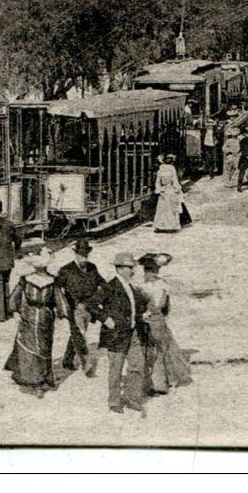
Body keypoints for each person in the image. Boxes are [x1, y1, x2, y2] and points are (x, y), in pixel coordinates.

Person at [4, 248, 70, 398]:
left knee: (44, 348)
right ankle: (34, 382)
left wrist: (64, 314)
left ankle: (44, 378)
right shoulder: (26, 280)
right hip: (28, 317)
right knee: (28, 348)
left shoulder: (53, 281)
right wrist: (15, 311)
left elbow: (60, 299)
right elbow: (15, 296)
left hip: (46, 319)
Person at [89, 252, 149, 414]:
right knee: (116, 369)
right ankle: (114, 401)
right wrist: (105, 319)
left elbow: (130, 310)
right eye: (130, 268)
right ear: (120, 269)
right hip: (116, 336)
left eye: (132, 267)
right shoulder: (110, 286)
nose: (133, 271)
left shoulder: (130, 287)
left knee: (137, 365)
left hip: (133, 332)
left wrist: (140, 316)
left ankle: (131, 397)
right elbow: (92, 304)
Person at [136, 254, 192, 396]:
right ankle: (163, 381)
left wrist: (149, 312)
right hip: (151, 320)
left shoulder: (153, 286)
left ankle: (159, 384)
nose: (150, 273)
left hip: (153, 320)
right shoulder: (151, 285)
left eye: (152, 270)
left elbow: (159, 305)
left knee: (156, 352)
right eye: (149, 270)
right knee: (158, 351)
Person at [56, 239, 103, 374]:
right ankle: (86, 364)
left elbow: (102, 283)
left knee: (77, 334)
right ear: (75, 254)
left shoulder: (92, 268)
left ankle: (67, 359)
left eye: (86, 256)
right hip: (74, 309)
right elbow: (57, 289)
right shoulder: (66, 270)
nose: (84, 258)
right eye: (81, 255)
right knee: (79, 335)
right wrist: (63, 306)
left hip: (89, 308)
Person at [154, 154, 185, 231]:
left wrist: (159, 189)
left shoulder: (160, 169)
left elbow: (157, 182)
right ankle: (171, 226)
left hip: (164, 190)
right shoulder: (172, 169)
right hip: (170, 189)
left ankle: (161, 225)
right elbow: (174, 180)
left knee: (162, 209)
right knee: (171, 208)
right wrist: (178, 189)